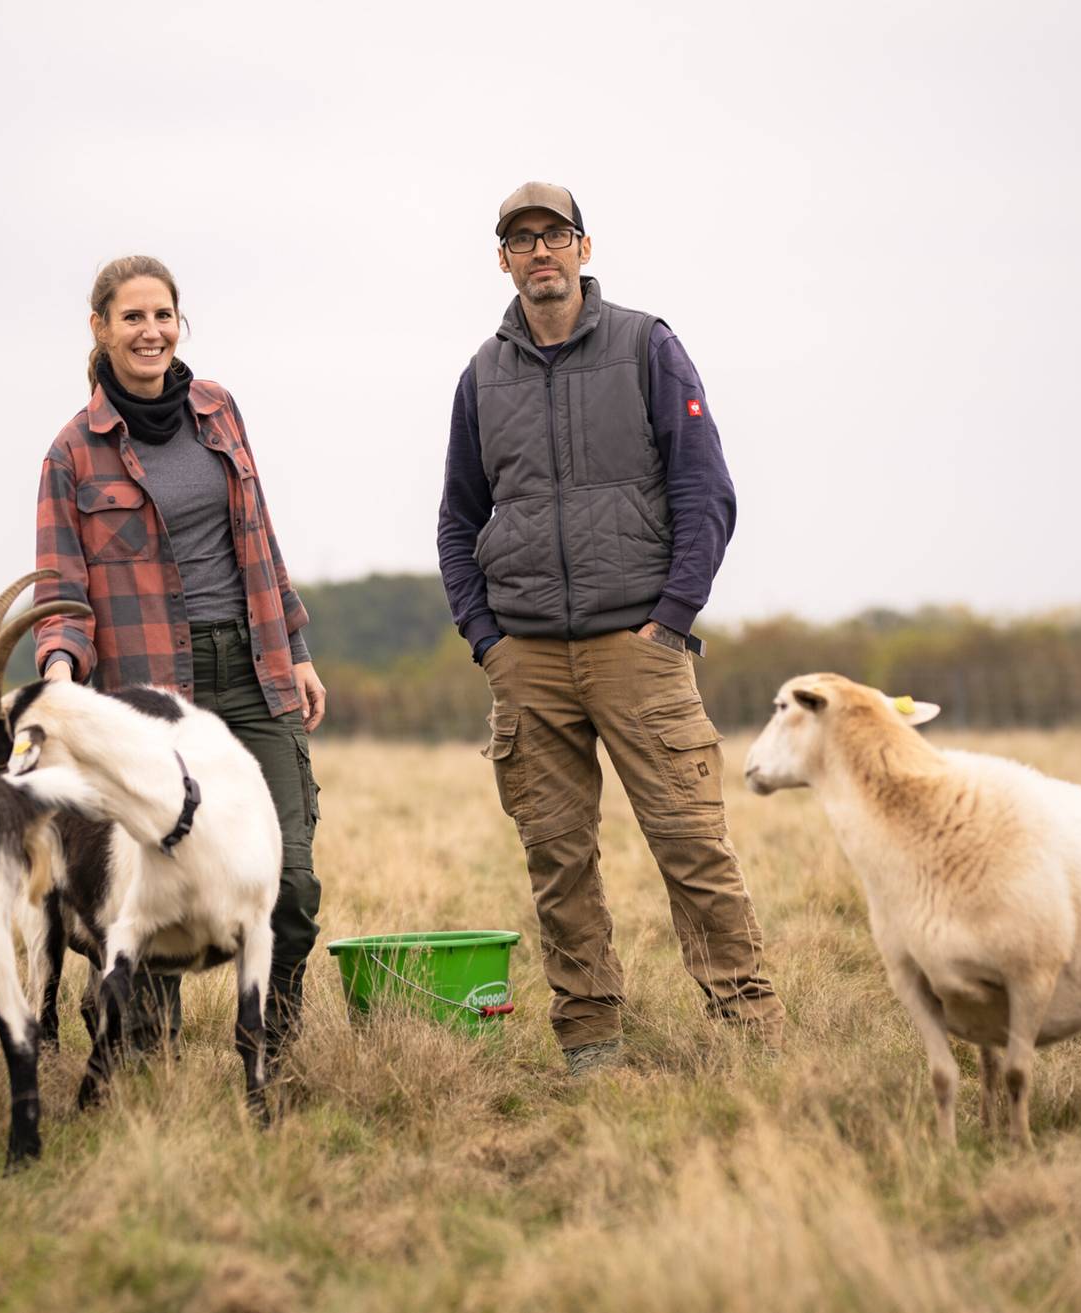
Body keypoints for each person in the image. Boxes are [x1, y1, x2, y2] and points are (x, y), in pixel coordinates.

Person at [436, 183, 782, 1074]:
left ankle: (749, 1030)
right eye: (522, 240)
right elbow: (457, 519)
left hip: (639, 649)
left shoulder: (645, 346)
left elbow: (707, 490)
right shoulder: (483, 373)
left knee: (691, 845)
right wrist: (489, 640)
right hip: (529, 659)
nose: (539, 252)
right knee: (557, 859)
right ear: (502, 260)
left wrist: (670, 620)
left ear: (584, 248)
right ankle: (590, 1038)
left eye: (555, 236)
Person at [34, 254, 326, 1058]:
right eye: (132, 317)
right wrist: (61, 676)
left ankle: (274, 1035)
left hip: (251, 670)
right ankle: (143, 1047)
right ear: (100, 328)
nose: (150, 331)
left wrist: (294, 646)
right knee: (153, 877)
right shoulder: (72, 454)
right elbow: (61, 591)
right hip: (149, 697)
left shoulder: (219, 412)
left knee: (291, 877)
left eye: (162, 315)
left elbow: (258, 536)